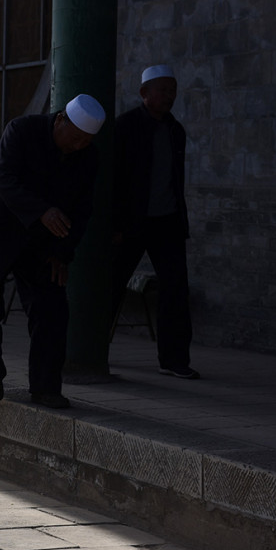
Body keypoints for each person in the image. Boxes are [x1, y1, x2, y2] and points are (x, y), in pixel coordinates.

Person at [0, 94, 106, 409]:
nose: (79, 146)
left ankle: (45, 387)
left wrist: (63, 253)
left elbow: (82, 210)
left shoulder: (88, 157)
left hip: (41, 244)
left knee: (51, 309)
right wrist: (42, 211)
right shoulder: (21, 130)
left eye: (86, 141)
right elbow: (4, 179)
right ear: (60, 120)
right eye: (75, 138)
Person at [112, 65, 198, 379]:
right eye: (163, 90)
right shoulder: (126, 127)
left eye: (172, 90)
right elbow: (113, 180)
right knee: (110, 287)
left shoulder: (175, 130)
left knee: (175, 290)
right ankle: (91, 349)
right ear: (144, 93)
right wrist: (115, 225)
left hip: (167, 223)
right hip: (131, 223)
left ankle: (174, 360)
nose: (169, 96)